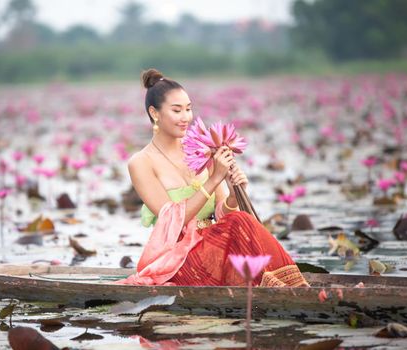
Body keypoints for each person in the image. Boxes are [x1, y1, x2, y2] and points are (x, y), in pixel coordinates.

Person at [116, 68, 308, 287]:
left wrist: (235, 192)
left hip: (213, 248)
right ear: (155, 113)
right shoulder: (141, 162)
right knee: (240, 221)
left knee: (241, 219)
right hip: (178, 259)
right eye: (177, 110)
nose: (186, 118)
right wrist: (214, 178)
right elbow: (172, 224)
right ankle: (282, 290)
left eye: (188, 109)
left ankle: (296, 288)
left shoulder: (201, 148)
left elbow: (223, 215)